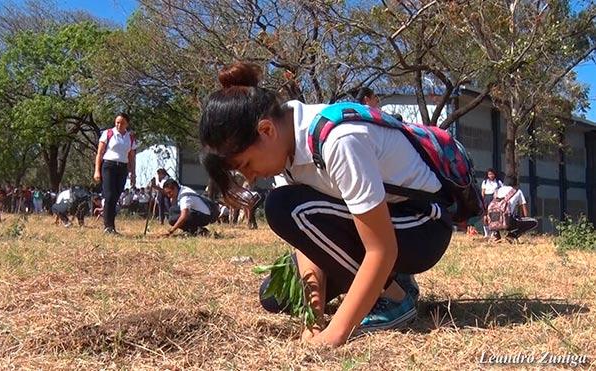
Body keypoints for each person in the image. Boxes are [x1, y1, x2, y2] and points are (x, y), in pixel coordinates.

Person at [199, 62, 453, 347]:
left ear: (266, 130)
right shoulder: (283, 148)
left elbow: (381, 248)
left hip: (423, 226)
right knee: (275, 296)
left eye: (245, 164)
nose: (249, 176)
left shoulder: (338, 140)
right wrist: (313, 317)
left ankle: (395, 298)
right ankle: (394, 281)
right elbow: (306, 238)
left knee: (281, 207)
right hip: (384, 224)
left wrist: (335, 333)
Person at [93, 113, 138, 234]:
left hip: (122, 168)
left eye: (122, 123)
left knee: (116, 197)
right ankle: (108, 226)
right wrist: (97, 170)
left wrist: (133, 174)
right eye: (117, 122)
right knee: (109, 195)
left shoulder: (130, 137)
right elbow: (100, 153)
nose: (119, 125)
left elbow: (132, 157)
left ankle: (111, 226)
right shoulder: (108, 133)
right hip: (109, 166)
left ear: (127, 124)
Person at [489, 176, 537, 243]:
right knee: (534, 222)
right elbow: (524, 208)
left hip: (493, 223)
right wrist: (526, 218)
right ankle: (512, 235)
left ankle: (496, 235)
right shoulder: (517, 191)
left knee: (496, 215)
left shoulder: (497, 191)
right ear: (515, 184)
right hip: (508, 222)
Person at [481, 168, 503, 237]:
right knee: (485, 216)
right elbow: (483, 192)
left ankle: (494, 233)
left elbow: (502, 190)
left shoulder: (498, 182)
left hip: (494, 199)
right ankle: (486, 233)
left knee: (494, 216)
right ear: (487, 175)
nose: (491, 176)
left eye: (492, 174)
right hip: (486, 199)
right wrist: (482, 200)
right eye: (489, 174)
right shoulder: (485, 182)